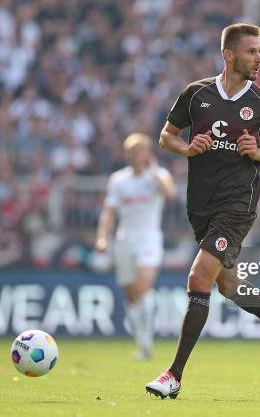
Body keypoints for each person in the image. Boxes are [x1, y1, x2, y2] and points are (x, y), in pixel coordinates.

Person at [145, 23, 260, 399]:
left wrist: (257, 151)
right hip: (201, 205)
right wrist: (188, 148)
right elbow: (166, 137)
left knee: (199, 278)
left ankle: (173, 376)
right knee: (226, 284)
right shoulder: (196, 94)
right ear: (229, 54)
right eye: (251, 52)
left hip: (237, 205)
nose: (259, 58)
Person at [96, 133, 177, 360]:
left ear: (147, 153)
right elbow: (108, 213)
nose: (137, 155)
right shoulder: (118, 180)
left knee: (142, 286)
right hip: (124, 241)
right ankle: (142, 344)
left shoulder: (158, 176)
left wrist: (153, 170)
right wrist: (102, 238)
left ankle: (146, 343)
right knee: (131, 295)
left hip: (149, 239)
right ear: (127, 154)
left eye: (141, 150)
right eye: (132, 151)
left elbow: (170, 194)